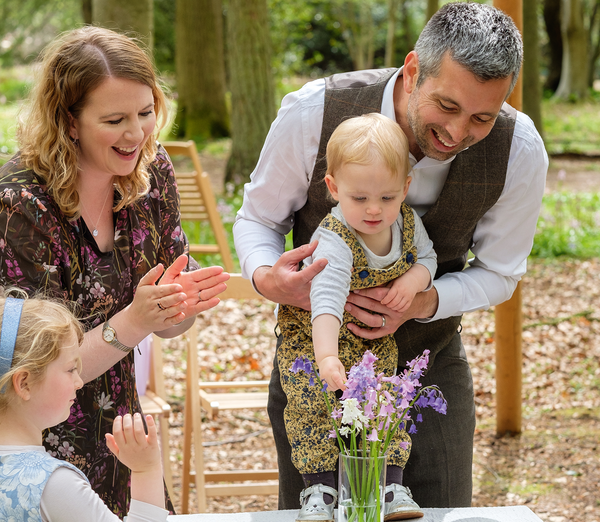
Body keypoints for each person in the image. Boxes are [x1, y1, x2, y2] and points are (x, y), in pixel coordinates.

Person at [233, 2, 548, 510]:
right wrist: (268, 277)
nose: (459, 132)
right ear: (412, 70)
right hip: (317, 365)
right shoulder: (313, 110)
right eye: (446, 106)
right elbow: (257, 220)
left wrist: (422, 301)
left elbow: (500, 273)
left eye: (482, 117)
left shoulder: (520, 150)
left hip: (430, 365)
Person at [0, 26, 230, 516]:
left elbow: (168, 322)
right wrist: (135, 322)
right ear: (70, 121)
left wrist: (176, 308)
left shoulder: (153, 170)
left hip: (123, 436)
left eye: (146, 113)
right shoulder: (20, 205)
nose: (137, 134)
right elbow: (28, 373)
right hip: (37, 447)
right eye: (115, 119)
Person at [278, 113, 436, 521]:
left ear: (405, 188)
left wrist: (414, 280)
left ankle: (390, 488)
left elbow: (429, 258)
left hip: (370, 339)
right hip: (317, 339)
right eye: (359, 198)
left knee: (383, 407)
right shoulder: (335, 237)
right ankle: (320, 492)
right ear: (333, 189)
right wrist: (327, 357)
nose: (373, 210)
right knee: (314, 409)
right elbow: (327, 300)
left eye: (386, 197)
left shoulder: (407, 223)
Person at [0, 292, 168, 521]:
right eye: (71, 369)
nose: (79, 382)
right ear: (24, 383)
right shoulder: (53, 486)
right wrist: (145, 470)